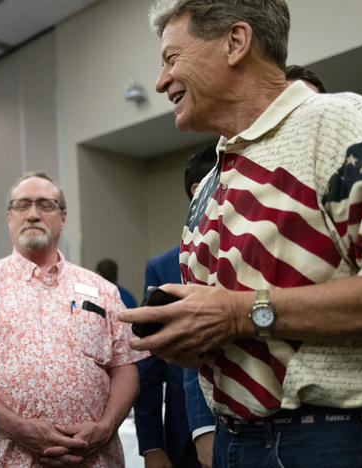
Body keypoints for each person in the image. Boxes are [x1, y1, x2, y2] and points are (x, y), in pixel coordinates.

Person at [119, 1, 362, 467]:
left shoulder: (339, 124)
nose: (160, 82)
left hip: (338, 442)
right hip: (237, 441)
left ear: (236, 42)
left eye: (171, 59)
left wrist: (241, 314)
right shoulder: (216, 176)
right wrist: (192, 339)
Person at [0, 171, 148, 467]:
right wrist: (18, 427)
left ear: (63, 216)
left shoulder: (103, 290)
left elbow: (125, 368)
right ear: (9, 216)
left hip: (95, 458)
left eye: (45, 205)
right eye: (22, 205)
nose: (33, 214)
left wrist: (106, 427)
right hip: (9, 458)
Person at [134, 145, 217, 468]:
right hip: (186, 436)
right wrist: (151, 445)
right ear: (200, 190)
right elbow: (150, 363)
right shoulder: (164, 266)